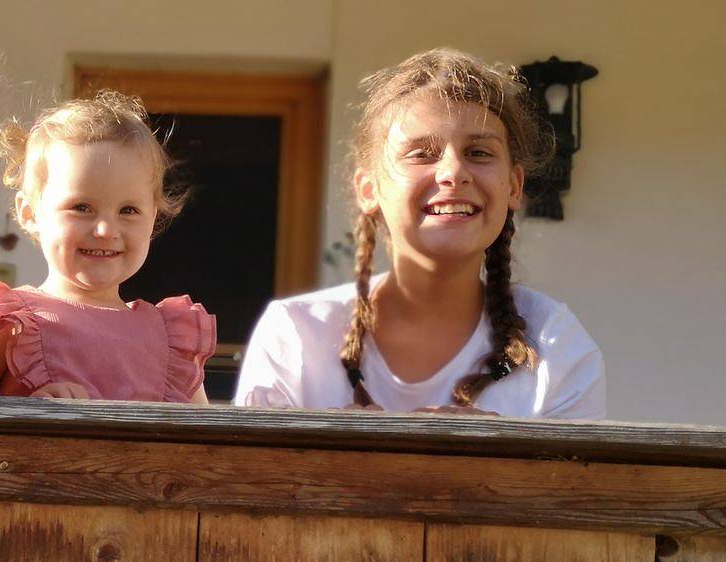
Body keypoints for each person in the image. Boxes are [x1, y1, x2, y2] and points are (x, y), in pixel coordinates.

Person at [235, 48, 604, 419]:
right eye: (421, 154)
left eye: (478, 152)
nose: (453, 172)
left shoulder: (556, 346)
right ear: (369, 189)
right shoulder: (296, 335)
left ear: (513, 185)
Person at [0, 91, 215, 402]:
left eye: (128, 211)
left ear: (152, 220)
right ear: (29, 213)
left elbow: (203, 443)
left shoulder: (172, 340)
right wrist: (25, 412)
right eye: (81, 207)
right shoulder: (11, 325)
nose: (106, 230)